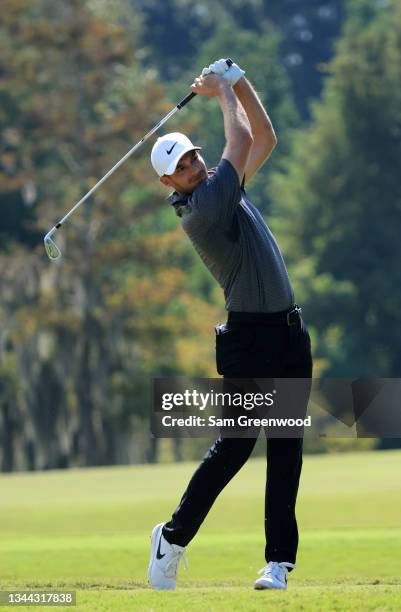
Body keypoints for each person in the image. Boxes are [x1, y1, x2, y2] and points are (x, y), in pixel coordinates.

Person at [147, 59, 313, 591]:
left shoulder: (225, 188)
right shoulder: (202, 208)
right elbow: (239, 140)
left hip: (287, 332)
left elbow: (265, 134)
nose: (195, 165)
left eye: (195, 155)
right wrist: (222, 91)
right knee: (236, 446)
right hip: (249, 339)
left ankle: (278, 564)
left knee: (287, 446)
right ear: (169, 182)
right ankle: (170, 540)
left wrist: (238, 80)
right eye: (184, 164)